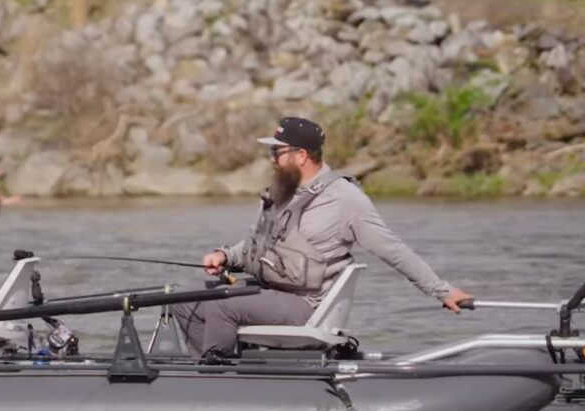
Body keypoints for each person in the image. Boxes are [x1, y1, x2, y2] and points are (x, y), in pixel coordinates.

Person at [172, 116, 473, 361]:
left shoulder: (344, 199)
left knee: (223, 304)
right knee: (185, 299)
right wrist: (225, 256)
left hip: (306, 304)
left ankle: (217, 375)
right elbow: (259, 245)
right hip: (270, 292)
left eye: (276, 152)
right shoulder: (282, 191)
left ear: (301, 155)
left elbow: (392, 249)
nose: (272, 160)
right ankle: (212, 366)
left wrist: (441, 291)